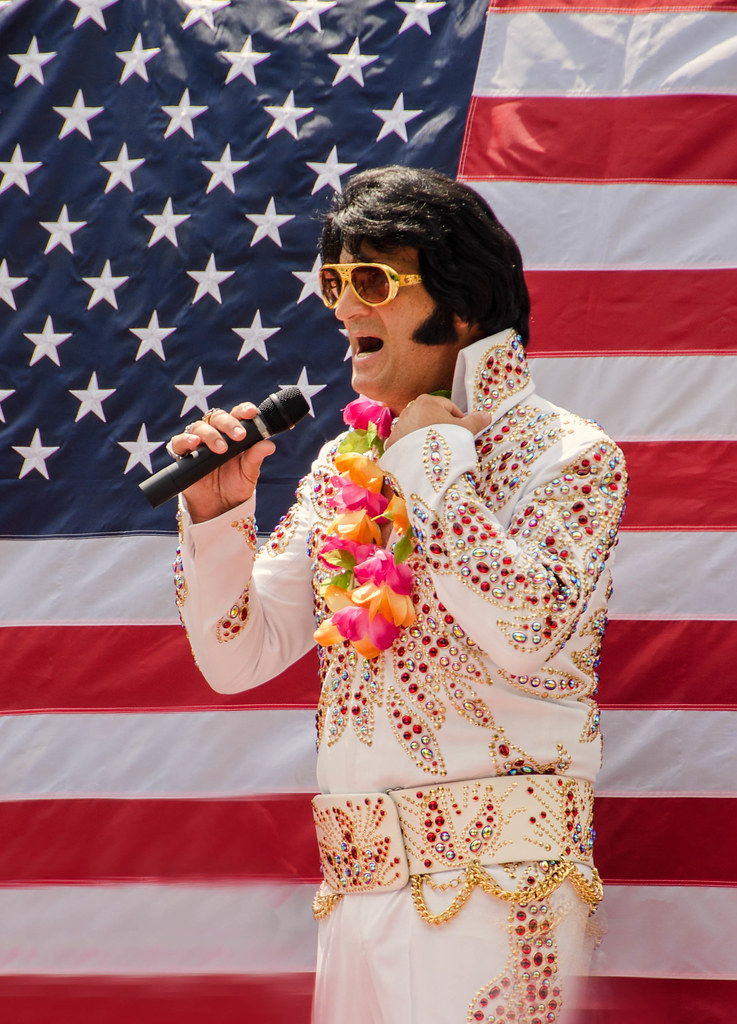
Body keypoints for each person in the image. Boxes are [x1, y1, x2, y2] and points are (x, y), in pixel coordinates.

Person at [168, 166, 627, 1023]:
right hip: (357, 893)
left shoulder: (568, 454)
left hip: (501, 892)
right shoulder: (345, 465)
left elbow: (525, 626)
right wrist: (217, 515)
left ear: (461, 308)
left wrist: (427, 459)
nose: (344, 307)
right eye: (333, 282)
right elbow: (238, 656)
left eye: (372, 281)